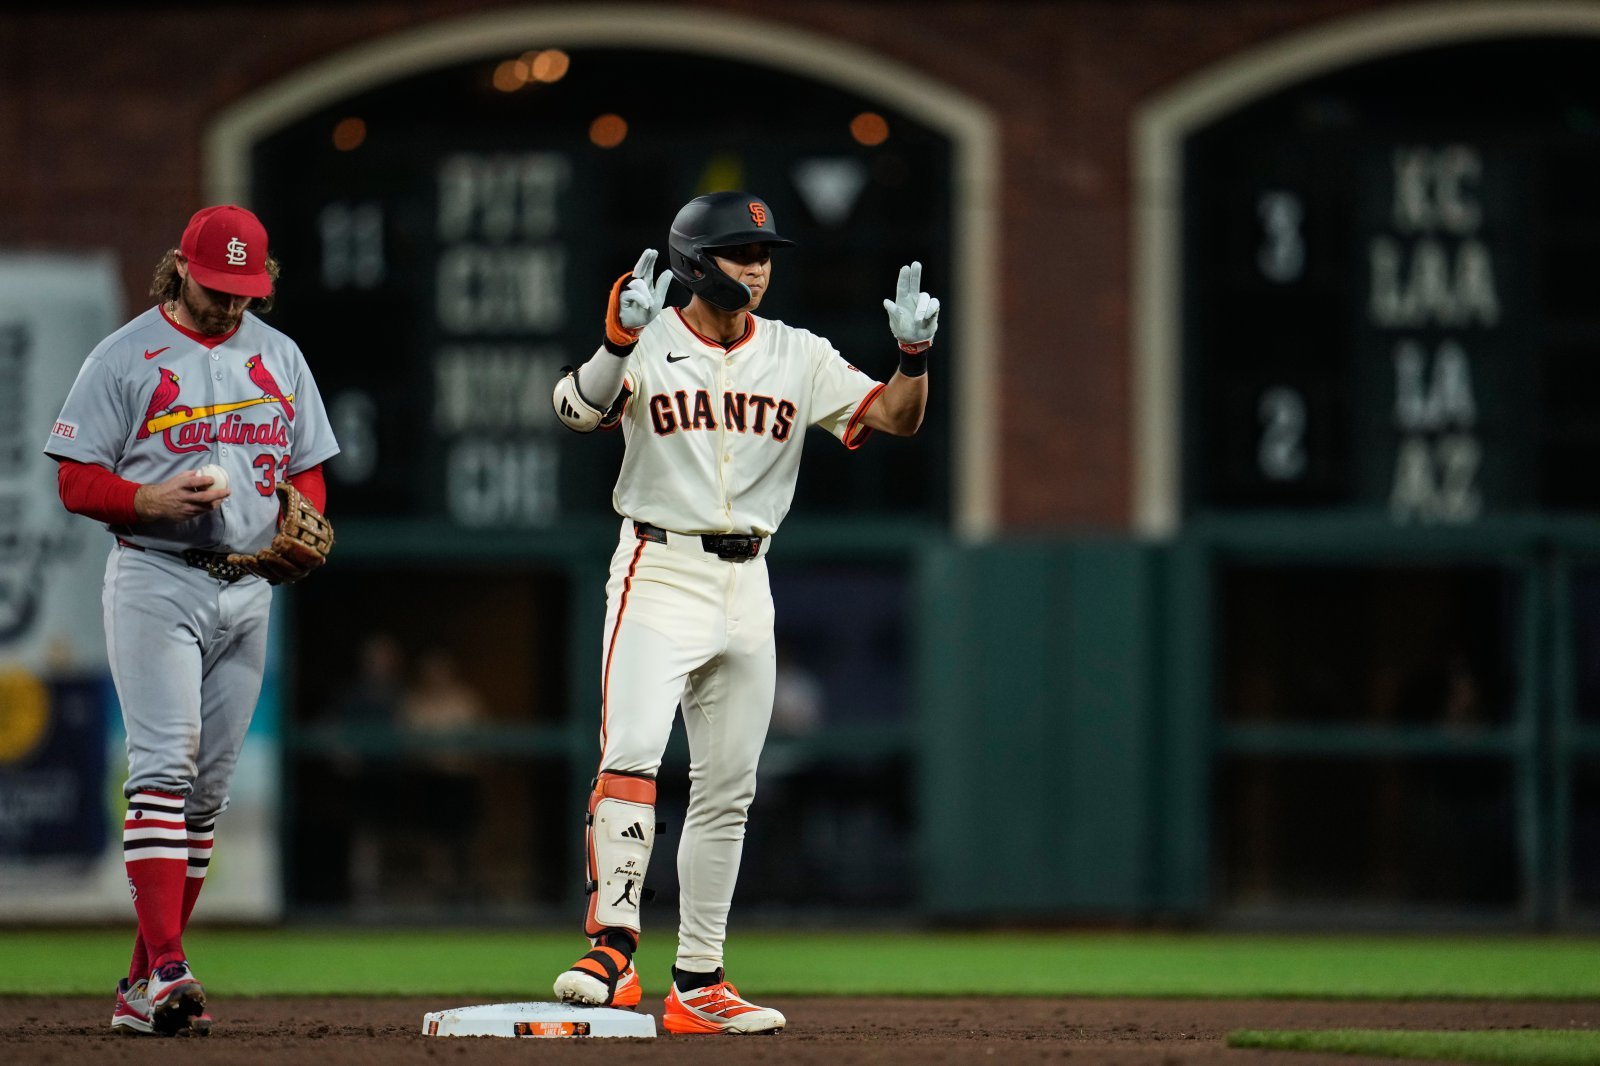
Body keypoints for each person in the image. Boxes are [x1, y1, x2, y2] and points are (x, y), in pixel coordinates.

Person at [548, 190, 938, 1035]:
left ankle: (699, 981)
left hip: (748, 580)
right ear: (694, 262)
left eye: (764, 255)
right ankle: (612, 950)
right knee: (635, 754)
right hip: (659, 566)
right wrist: (618, 341)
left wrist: (912, 356)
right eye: (740, 253)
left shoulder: (798, 353)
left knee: (729, 789)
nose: (758, 268)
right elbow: (575, 410)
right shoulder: (649, 339)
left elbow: (897, 419)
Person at [43, 205, 339, 1037]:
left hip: (249, 591)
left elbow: (309, 469)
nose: (230, 306)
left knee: (206, 795)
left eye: (246, 291)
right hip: (155, 577)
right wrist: (144, 497)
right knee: (163, 771)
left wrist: (302, 525)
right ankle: (169, 966)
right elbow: (72, 478)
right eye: (217, 289)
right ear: (181, 269)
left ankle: (144, 986)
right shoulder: (125, 355)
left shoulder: (279, 354)